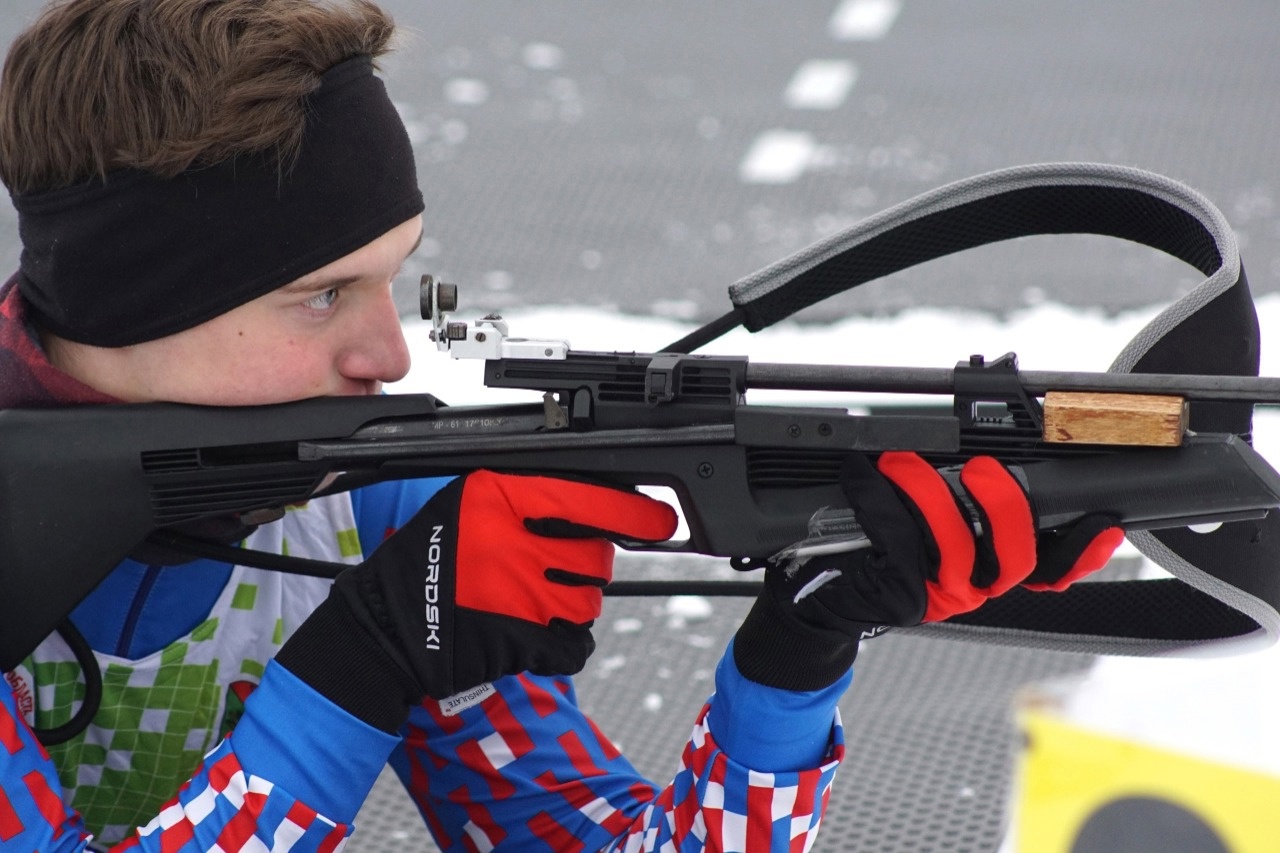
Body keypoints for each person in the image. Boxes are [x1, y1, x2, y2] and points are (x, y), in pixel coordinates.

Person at [0, 1, 1125, 849]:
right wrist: (356, 667)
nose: (386, 355)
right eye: (320, 295)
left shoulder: (361, 506)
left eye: (394, 280)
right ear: (136, 299)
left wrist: (797, 654)